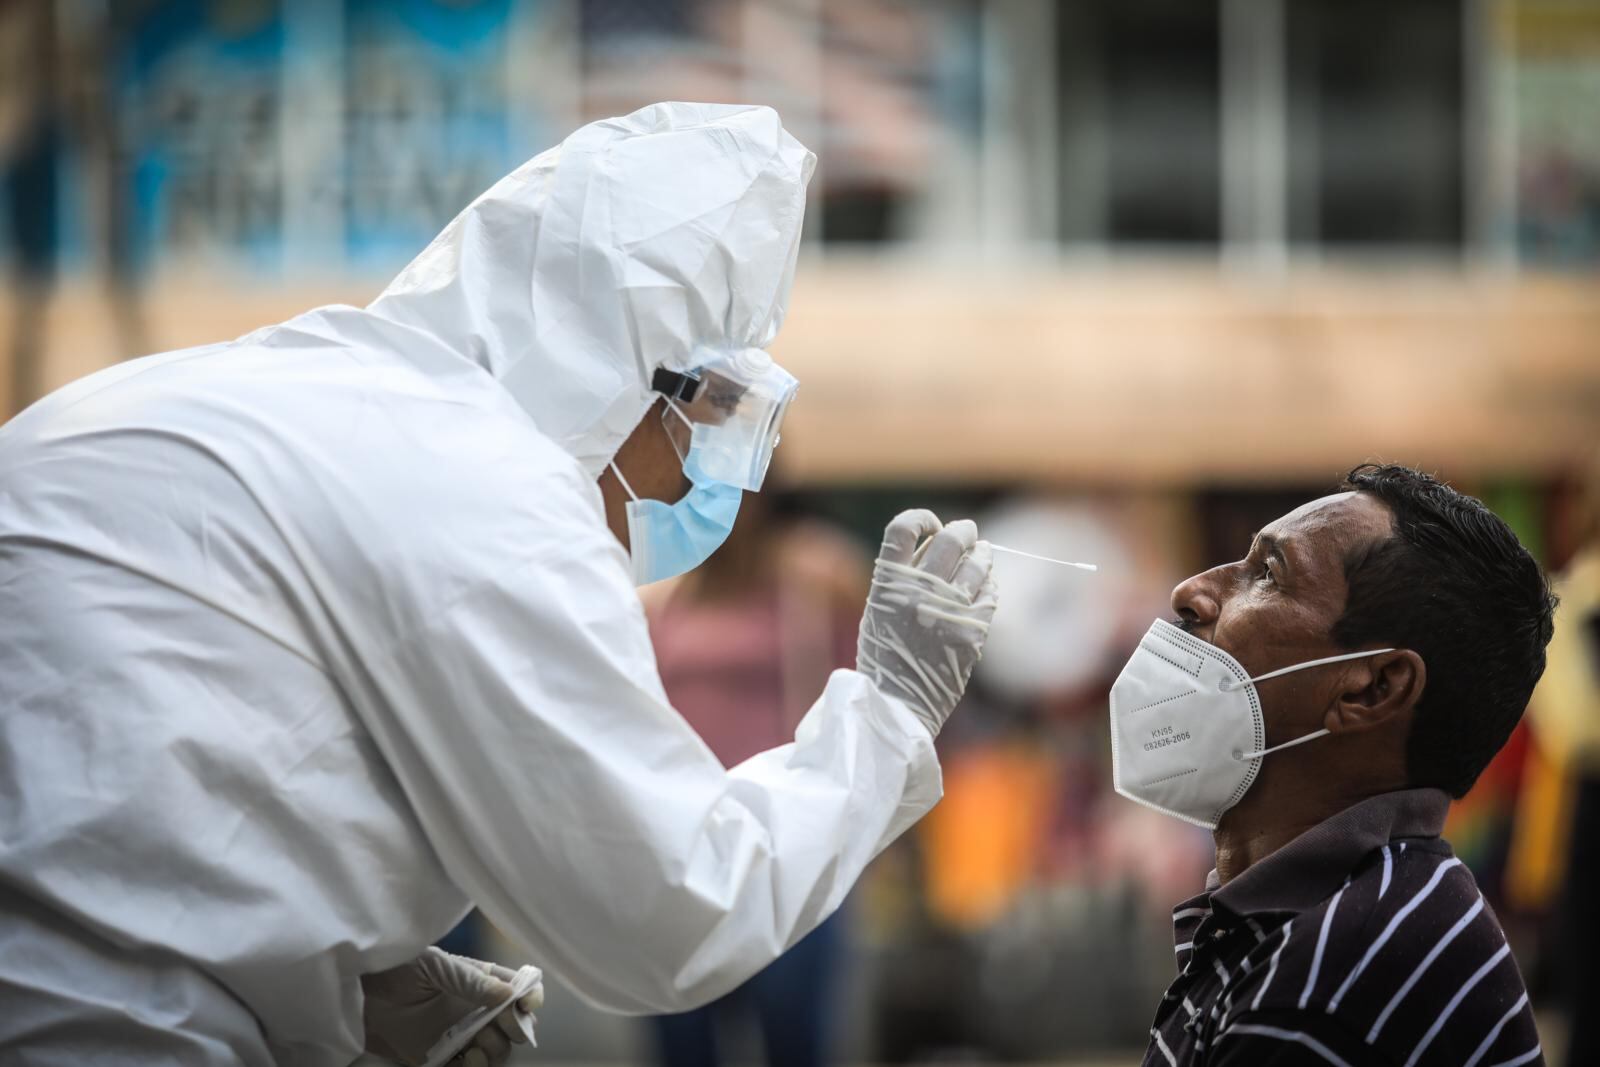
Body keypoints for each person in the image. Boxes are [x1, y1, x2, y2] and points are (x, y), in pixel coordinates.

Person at [0, 102, 999, 1067]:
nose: (713, 482)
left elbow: (190, 738)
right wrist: (890, 715)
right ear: (640, 386)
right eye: (719, 425)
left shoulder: (303, 385)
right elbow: (669, 908)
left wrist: (351, 968)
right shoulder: (493, 494)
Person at [1111, 464, 1554, 1066]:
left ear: (1373, 688)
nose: (1191, 590)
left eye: (1268, 573)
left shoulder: (1330, 986)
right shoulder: (1347, 916)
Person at [642, 484, 867, 1067]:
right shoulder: (658, 596)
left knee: (795, 1038)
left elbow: (861, 701)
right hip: (683, 853)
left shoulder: (815, 584)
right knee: (682, 1045)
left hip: (786, 851)